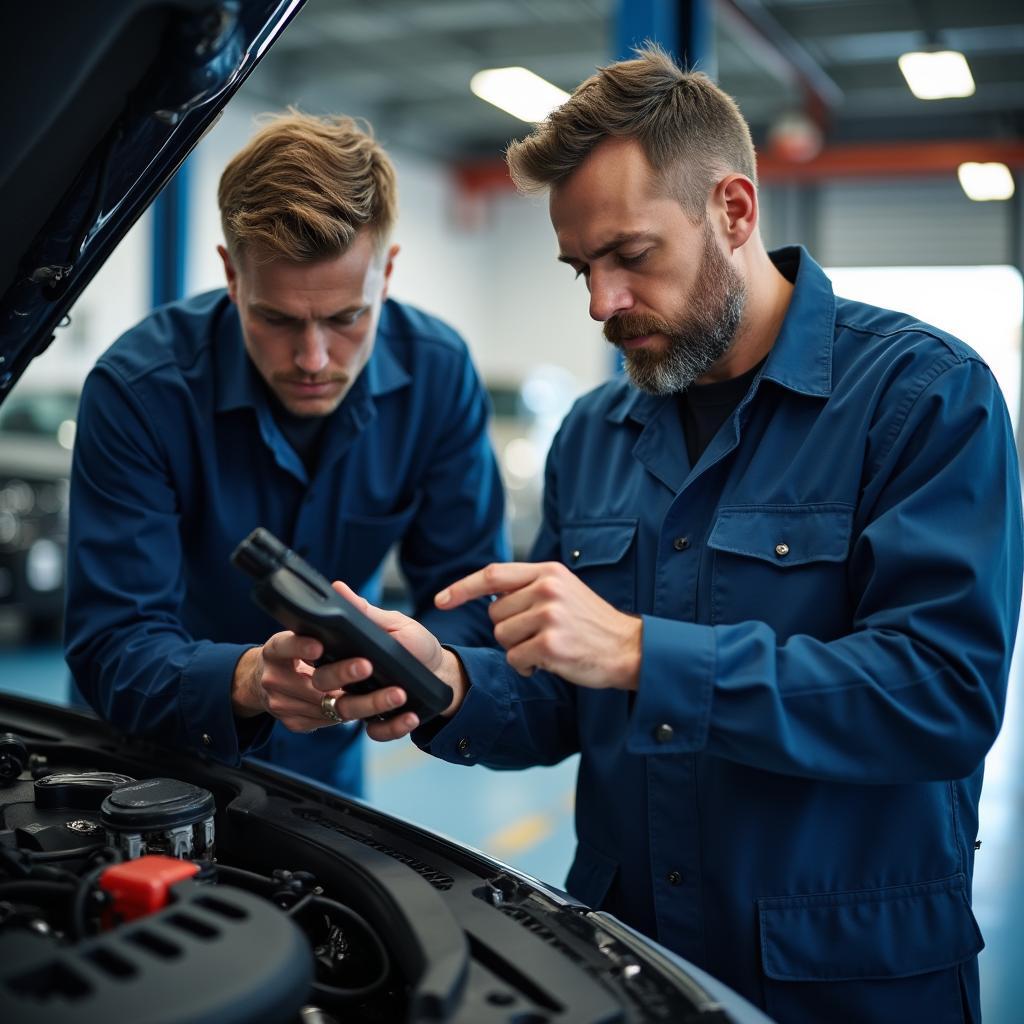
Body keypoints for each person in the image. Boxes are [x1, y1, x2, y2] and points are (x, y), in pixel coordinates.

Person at [237, 50, 1021, 1023]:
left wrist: (644, 652)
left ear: (732, 210)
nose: (601, 303)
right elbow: (557, 702)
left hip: (846, 976)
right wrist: (441, 674)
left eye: (631, 257)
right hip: (627, 957)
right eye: (581, 269)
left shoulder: (924, 398)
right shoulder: (596, 436)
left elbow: (939, 694)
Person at [64, 112, 508, 796]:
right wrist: (246, 680)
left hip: (324, 778)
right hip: (144, 763)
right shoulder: (138, 393)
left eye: (345, 318)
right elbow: (113, 641)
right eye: (276, 318)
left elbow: (470, 592)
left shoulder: (439, 376)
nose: (313, 358)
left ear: (386, 273)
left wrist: (428, 655)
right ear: (232, 276)